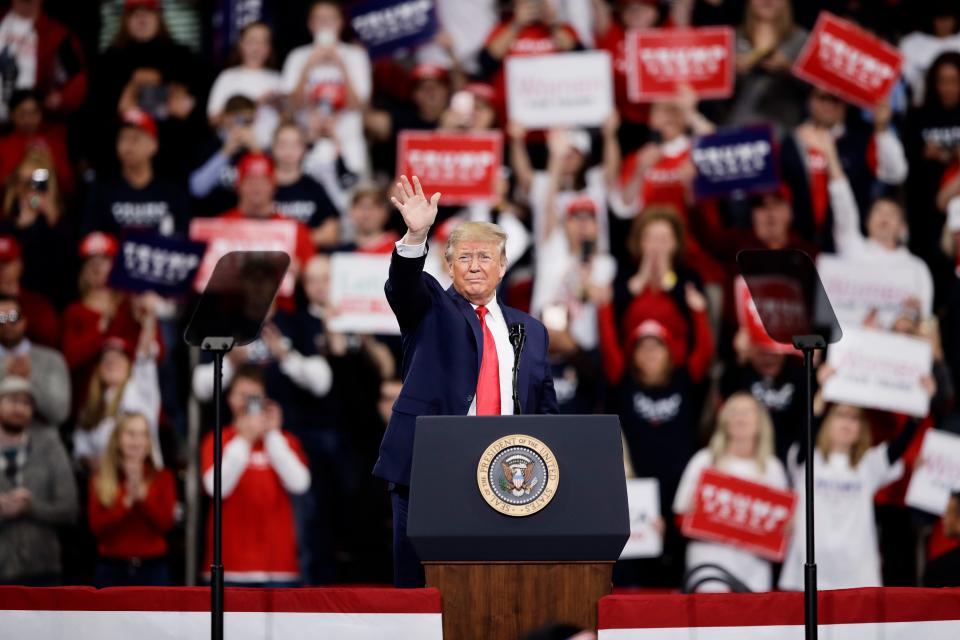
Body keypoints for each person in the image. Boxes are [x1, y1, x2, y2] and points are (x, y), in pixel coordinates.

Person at [376, 175, 558, 587]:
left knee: (495, 589)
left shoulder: (532, 329)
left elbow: (546, 411)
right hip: (430, 469)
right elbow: (403, 286)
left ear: (503, 266)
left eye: (485, 257)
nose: (475, 266)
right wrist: (416, 234)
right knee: (421, 592)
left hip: (508, 479)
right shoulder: (431, 308)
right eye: (464, 258)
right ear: (448, 264)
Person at [779, 403, 923, 591]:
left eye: (854, 418)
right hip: (808, 571)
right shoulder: (808, 460)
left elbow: (898, 447)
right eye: (840, 415)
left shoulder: (868, 464)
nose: (846, 422)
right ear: (828, 422)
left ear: (861, 428)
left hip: (856, 573)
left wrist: (916, 413)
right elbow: (804, 441)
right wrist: (817, 409)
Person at [201, 365, 311, 587]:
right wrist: (244, 439)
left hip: (279, 569)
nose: (247, 403)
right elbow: (216, 488)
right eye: (242, 395)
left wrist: (272, 434)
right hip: (229, 568)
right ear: (230, 399)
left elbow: (300, 484)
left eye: (254, 396)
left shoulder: (284, 440)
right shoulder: (217, 439)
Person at [673, 392, 788, 592]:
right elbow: (679, 516)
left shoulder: (772, 468)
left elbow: (782, 528)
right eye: (734, 412)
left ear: (760, 422)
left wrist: (785, 529)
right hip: (708, 567)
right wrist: (691, 516)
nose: (740, 417)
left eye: (747, 412)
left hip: (754, 571)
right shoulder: (704, 460)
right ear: (725, 420)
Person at [0, 375, 78, 585]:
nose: (19, 408)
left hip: (44, 570)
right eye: (11, 400)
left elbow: (70, 509)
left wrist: (31, 507)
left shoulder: (51, 448)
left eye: (26, 402)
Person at [281, 0, 372, 178]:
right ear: (311, 24)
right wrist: (308, 66)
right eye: (319, 19)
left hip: (348, 145)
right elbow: (291, 105)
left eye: (330, 19)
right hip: (307, 146)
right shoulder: (297, 56)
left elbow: (359, 105)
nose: (325, 25)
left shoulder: (356, 55)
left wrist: (341, 66)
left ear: (340, 23)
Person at [73, 296, 162, 472]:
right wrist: (88, 461)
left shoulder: (140, 391)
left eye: (118, 358)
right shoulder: (91, 404)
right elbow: (80, 446)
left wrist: (150, 317)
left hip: (143, 479)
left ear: (130, 366)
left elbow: (145, 356)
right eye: (106, 359)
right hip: (103, 485)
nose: (111, 362)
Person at [88, 411, 175, 587]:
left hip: (153, 569)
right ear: (118, 439)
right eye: (131, 434)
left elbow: (166, 524)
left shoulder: (162, 477)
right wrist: (126, 503)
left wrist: (142, 499)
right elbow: (96, 527)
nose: (137, 441)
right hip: (112, 569)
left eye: (143, 434)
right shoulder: (101, 478)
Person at [82, 107, 189, 236]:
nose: (127, 146)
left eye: (135, 138)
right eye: (122, 138)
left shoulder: (173, 193)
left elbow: (185, 240)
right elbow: (91, 240)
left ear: (153, 145)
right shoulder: (102, 191)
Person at [726, 0, 808, 135]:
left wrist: (788, 68)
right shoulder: (733, 37)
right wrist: (731, 71)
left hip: (782, 129)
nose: (767, 1)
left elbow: (814, 88)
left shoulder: (800, 38)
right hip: (737, 127)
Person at [0, 0, 88, 123]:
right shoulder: (3, 20)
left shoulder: (56, 35)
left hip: (30, 128)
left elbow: (77, 80)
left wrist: (60, 99)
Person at [207, 21, 282, 149]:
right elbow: (213, 119)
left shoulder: (278, 79)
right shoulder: (227, 77)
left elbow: (289, 120)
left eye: (262, 42)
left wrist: (278, 104)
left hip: (270, 150)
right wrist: (253, 105)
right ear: (241, 44)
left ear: (269, 47)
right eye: (251, 41)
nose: (256, 48)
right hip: (233, 149)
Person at [0, 294, 69, 430]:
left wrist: (30, 379)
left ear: (24, 320)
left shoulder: (51, 359)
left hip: (43, 446)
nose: (7, 324)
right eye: (1, 319)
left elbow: (59, 414)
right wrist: (4, 373)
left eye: (13, 317)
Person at [271, 120, 339, 248]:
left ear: (303, 148)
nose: (288, 150)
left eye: (294, 145)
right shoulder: (261, 187)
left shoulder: (314, 187)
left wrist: (295, 239)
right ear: (273, 147)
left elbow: (332, 232)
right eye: (283, 144)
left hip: (306, 258)